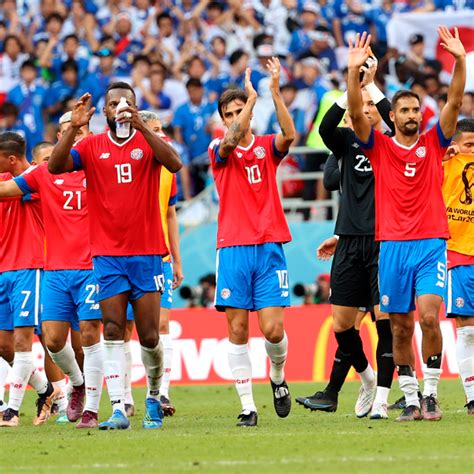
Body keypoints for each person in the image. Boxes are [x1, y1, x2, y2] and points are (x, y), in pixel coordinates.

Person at [347, 28, 466, 422]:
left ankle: (431, 393)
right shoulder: (378, 146)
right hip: (392, 246)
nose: (412, 116)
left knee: (430, 317)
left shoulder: (434, 142)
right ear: (393, 116)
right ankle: (410, 398)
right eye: (405, 111)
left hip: (430, 242)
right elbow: (355, 112)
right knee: (399, 329)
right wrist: (354, 77)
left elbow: (453, 100)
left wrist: (460, 60)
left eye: (417, 110)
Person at [48, 82, 182, 430]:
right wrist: (75, 128)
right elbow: (56, 167)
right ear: (104, 111)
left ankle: (153, 393)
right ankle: (119, 408)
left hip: (148, 252)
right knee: (112, 328)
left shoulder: (148, 143)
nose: (119, 107)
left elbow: (176, 164)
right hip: (107, 255)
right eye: (112, 103)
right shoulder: (91, 146)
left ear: (135, 107)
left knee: (150, 336)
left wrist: (141, 126)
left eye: (127, 102)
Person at [297, 57, 397, 419]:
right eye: (363, 105)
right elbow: (324, 126)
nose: (367, 109)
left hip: (385, 243)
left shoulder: (391, 147)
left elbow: (397, 119)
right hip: (350, 242)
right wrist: (350, 84)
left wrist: (371, 86)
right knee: (342, 325)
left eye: (373, 106)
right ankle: (367, 379)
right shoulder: (345, 142)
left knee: (385, 321)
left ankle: (384, 400)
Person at [208, 59, 295, 427]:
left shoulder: (264, 147)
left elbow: (288, 136)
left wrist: (272, 93)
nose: (234, 118)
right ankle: (247, 406)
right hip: (233, 249)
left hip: (270, 245)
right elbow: (230, 141)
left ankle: (277, 376)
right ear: (222, 119)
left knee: (273, 331)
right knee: (238, 330)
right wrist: (251, 101)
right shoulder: (219, 149)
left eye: (238, 110)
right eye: (228, 113)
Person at [0, 132, 58, 427]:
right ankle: (46, 389)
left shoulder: (36, 178)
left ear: (11, 159)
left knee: (25, 340)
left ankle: (10, 411)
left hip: (28, 266)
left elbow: (8, 190)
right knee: (3, 344)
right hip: (3, 268)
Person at [134, 110, 185, 416]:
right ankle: (124, 396)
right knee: (126, 330)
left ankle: (162, 394)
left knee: (162, 324)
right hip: (126, 256)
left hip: (160, 256)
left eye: (162, 129)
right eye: (153, 130)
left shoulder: (167, 168)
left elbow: (170, 213)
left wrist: (177, 259)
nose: (161, 135)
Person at [442, 119, 474, 415]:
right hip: (459, 254)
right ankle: (472, 395)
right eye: (469, 146)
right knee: (466, 331)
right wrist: (443, 157)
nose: (473, 151)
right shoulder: (444, 164)